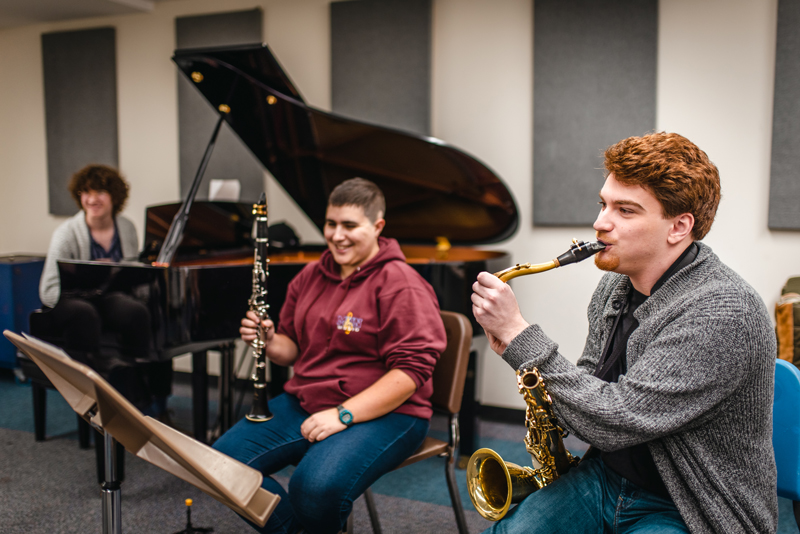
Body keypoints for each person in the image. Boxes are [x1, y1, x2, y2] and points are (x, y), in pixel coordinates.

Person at [472, 132, 777, 534]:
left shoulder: (724, 311)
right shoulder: (616, 286)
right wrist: (522, 353)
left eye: (625, 211)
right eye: (603, 204)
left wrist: (520, 336)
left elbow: (616, 421)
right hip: (608, 477)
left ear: (679, 226)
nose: (600, 222)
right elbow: (590, 379)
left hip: (690, 503)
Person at [213, 177, 446, 534]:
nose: (337, 235)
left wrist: (344, 414)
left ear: (378, 226)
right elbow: (291, 349)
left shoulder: (402, 283)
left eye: (350, 226)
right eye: (331, 224)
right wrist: (269, 339)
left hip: (392, 411)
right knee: (220, 465)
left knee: (314, 488)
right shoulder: (311, 275)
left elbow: (410, 374)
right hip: (309, 397)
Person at [39, 164, 172, 418]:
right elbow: (48, 289)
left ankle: (136, 388)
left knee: (137, 312)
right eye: (86, 192)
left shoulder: (126, 228)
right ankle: (95, 395)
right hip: (71, 300)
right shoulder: (66, 234)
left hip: (106, 296)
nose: (91, 199)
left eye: (99, 192)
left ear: (114, 196)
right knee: (85, 314)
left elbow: (130, 275)